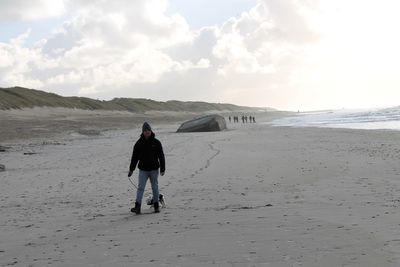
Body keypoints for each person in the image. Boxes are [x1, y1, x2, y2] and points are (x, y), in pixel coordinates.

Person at [128, 122, 165, 214]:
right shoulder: (138, 143)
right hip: (143, 170)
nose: (147, 132)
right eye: (145, 131)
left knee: (155, 187)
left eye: (148, 130)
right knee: (140, 188)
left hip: (154, 169)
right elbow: (134, 157)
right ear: (143, 131)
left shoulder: (156, 142)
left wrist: (163, 168)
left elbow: (161, 156)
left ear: (150, 131)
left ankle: (156, 205)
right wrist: (131, 169)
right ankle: (137, 206)